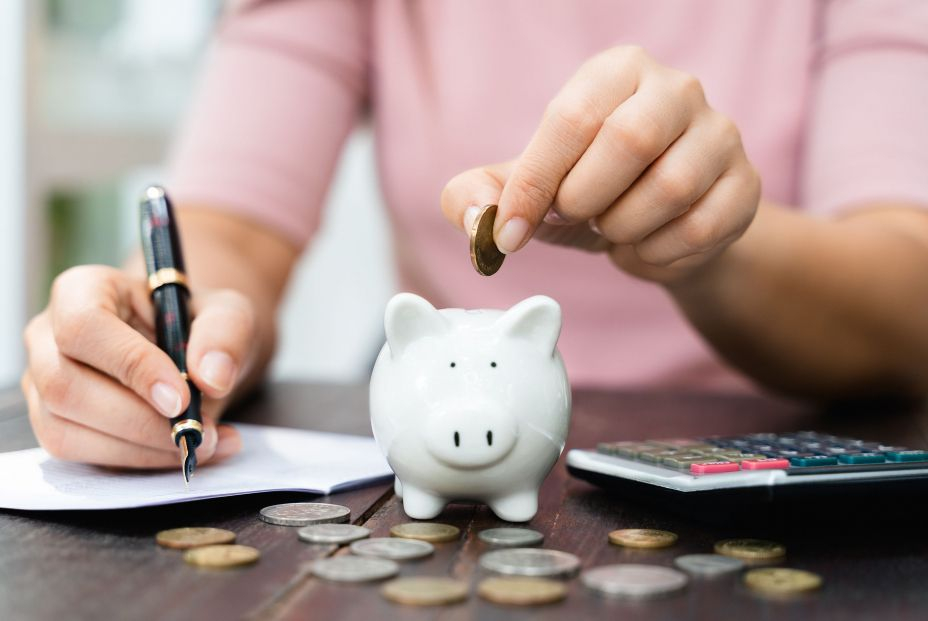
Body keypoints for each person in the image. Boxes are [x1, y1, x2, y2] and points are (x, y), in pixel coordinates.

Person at [20, 0, 928, 469]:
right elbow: (230, 232)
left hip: (788, 450)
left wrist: (706, 243)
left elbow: (907, 294)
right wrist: (165, 328)